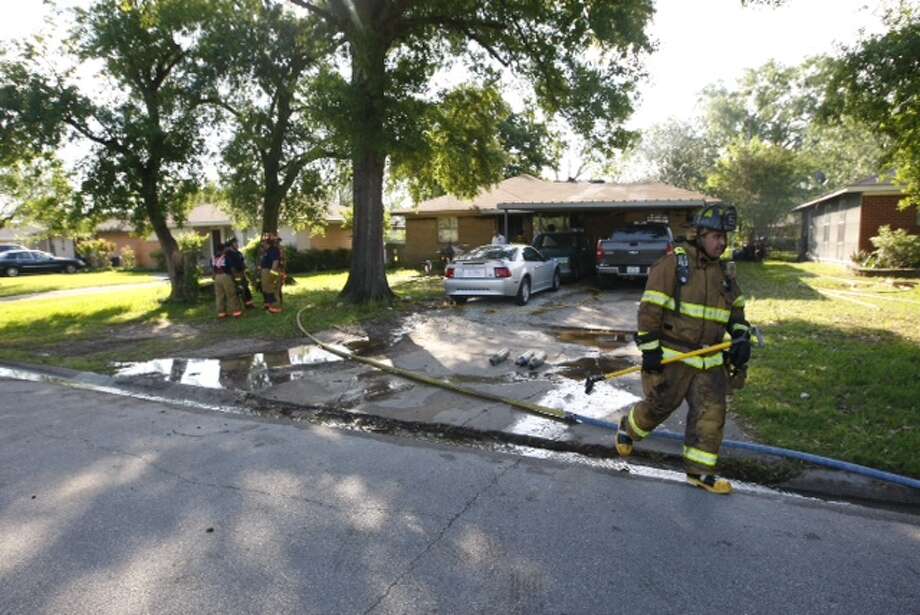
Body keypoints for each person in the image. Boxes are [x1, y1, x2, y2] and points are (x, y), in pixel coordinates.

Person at [614, 204, 752, 495]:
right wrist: (651, 352)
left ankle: (700, 473)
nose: (722, 242)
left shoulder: (725, 274)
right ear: (699, 234)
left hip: (710, 357)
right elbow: (650, 309)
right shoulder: (674, 265)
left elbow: (736, 311)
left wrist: (740, 335)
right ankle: (628, 427)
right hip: (674, 354)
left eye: (725, 236)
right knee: (660, 406)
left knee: (711, 413)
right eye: (716, 235)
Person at [212, 242, 242, 319]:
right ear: (224, 249)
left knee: (219, 296)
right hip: (225, 276)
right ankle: (237, 313)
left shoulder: (215, 257)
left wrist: (214, 277)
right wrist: (235, 277)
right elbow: (232, 268)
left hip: (217, 277)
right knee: (231, 294)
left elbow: (214, 269)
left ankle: (221, 314)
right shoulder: (226, 257)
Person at [224, 236, 254, 309]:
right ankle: (237, 307)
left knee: (246, 289)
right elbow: (231, 266)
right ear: (231, 244)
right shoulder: (229, 254)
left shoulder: (238, 253)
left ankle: (248, 304)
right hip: (235, 274)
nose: (237, 244)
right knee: (238, 290)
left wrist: (245, 271)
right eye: (235, 243)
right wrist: (235, 276)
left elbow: (242, 262)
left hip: (241, 273)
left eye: (237, 242)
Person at [260, 233, 283, 314]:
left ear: (267, 243)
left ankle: (275, 308)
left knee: (273, 290)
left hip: (272, 272)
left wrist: (272, 274)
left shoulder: (273, 250)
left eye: (263, 242)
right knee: (268, 289)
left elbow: (275, 262)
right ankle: (271, 307)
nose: (262, 243)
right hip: (267, 272)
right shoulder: (267, 251)